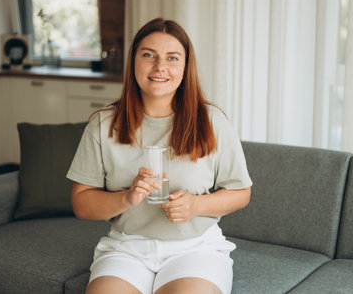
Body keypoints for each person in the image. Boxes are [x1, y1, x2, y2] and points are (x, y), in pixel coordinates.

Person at [67, 17, 252, 294]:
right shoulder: (104, 124)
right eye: (148, 55)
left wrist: (196, 206)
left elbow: (241, 192)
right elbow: (81, 204)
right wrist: (126, 198)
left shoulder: (212, 121)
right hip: (127, 247)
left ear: (185, 67)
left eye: (173, 58)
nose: (160, 67)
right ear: (134, 63)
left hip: (195, 249)